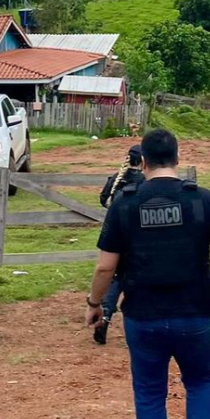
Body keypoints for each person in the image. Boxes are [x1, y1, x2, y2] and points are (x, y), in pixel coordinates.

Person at [85, 129, 210, 419]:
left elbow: (106, 268)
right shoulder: (203, 200)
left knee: (149, 394)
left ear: (143, 162)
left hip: (143, 317)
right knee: (202, 383)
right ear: (178, 159)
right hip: (196, 315)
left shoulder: (125, 203)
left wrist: (94, 305)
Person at [95, 144, 146, 345]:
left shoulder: (117, 178)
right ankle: (139, 323)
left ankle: (105, 315)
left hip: (116, 235)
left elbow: (103, 199)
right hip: (139, 237)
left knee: (115, 277)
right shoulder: (144, 181)